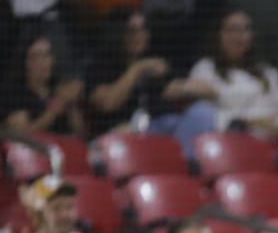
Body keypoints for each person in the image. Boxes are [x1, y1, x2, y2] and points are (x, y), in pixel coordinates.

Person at [87, 9, 218, 158]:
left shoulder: (156, 65)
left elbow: (210, 91)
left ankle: (185, 169)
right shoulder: (100, 67)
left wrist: (181, 89)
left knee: (202, 112)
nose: (139, 36)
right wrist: (137, 69)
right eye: (132, 30)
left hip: (155, 132)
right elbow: (108, 103)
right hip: (113, 137)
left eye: (144, 30)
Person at [188, 8, 278, 137]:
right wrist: (257, 122)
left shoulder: (268, 72)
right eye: (231, 30)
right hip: (224, 146)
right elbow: (207, 117)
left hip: (270, 146)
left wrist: (256, 124)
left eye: (244, 30)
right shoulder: (205, 68)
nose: (238, 36)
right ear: (219, 35)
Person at [0, 34, 84, 137]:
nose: (44, 61)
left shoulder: (57, 87)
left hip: (65, 148)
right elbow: (20, 136)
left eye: (47, 55)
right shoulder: (13, 94)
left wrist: (71, 104)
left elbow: (80, 134)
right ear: (25, 62)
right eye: (37, 56)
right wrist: (54, 110)